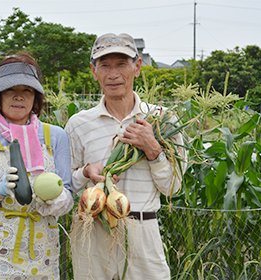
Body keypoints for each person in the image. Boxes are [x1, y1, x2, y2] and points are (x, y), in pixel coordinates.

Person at [65, 33, 186, 279]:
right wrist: (86, 172)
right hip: (93, 231)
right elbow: (65, 186)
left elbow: (173, 188)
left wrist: (152, 148)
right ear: (94, 71)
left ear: (137, 66)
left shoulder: (162, 120)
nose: (113, 74)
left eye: (121, 64)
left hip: (142, 230)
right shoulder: (79, 124)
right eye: (105, 66)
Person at [0, 52, 74, 279]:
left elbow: (68, 197)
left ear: (36, 98)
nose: (19, 97)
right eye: (11, 90)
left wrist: (51, 199)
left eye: (27, 91)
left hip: (41, 255)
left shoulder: (56, 137)